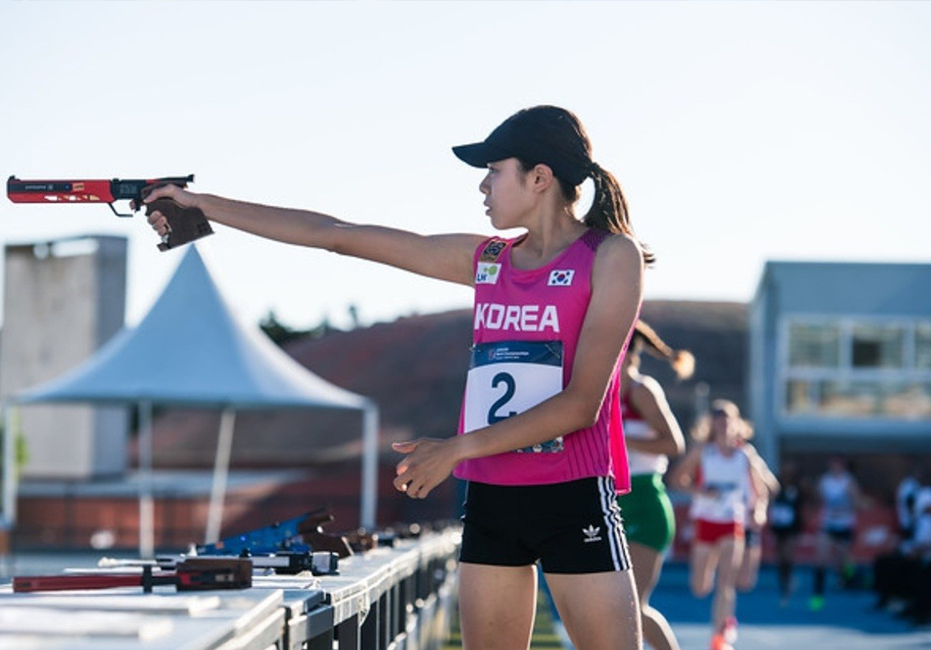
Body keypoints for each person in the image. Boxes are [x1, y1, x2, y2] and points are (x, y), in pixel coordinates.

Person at [145, 105, 647, 650]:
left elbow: (581, 404)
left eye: (494, 171)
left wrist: (455, 448)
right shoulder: (489, 259)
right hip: (493, 497)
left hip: (571, 493)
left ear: (540, 177)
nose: (483, 186)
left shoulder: (610, 256)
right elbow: (336, 235)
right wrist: (203, 205)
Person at [669, 400, 771, 650]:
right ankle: (721, 618)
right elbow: (677, 480)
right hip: (705, 521)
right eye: (719, 421)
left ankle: (719, 636)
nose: (724, 425)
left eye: (728, 421)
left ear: (737, 424)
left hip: (732, 522)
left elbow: (761, 492)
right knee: (700, 587)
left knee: (726, 584)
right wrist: (701, 491)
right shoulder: (703, 452)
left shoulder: (745, 455)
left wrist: (759, 511)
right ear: (712, 424)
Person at [616, 320, 692, 650]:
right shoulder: (599, 393)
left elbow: (675, 444)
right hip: (612, 504)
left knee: (632, 605)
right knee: (610, 607)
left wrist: (623, 441)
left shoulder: (642, 390)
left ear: (628, 353)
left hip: (646, 502)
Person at [811, 456, 864, 611]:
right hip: (828, 525)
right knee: (820, 560)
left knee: (842, 562)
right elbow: (817, 499)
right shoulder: (824, 481)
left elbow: (857, 502)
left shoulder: (849, 481)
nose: (834, 466)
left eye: (838, 464)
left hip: (845, 525)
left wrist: (850, 501)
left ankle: (850, 578)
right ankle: (817, 596)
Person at [736, 429, 779, 594]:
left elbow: (772, 487)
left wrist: (759, 508)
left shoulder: (748, 454)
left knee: (745, 579)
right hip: (722, 519)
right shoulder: (711, 453)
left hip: (747, 519)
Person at [769, 461, 805, 606]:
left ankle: (789, 580)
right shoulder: (775, 485)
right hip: (778, 525)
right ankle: (783, 580)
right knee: (780, 555)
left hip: (792, 526)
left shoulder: (799, 487)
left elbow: (805, 503)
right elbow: (770, 500)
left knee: (788, 554)